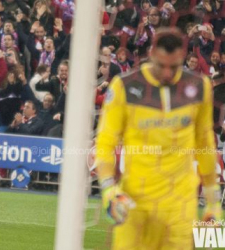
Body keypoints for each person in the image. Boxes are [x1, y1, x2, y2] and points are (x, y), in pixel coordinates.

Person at [95, 29, 222, 249]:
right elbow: (105, 142)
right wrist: (108, 188)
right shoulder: (124, 86)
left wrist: (213, 202)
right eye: (160, 65)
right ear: (151, 53)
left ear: (182, 58)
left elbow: (204, 144)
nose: (166, 73)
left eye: (173, 67)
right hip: (135, 203)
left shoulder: (200, 87)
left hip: (180, 205)